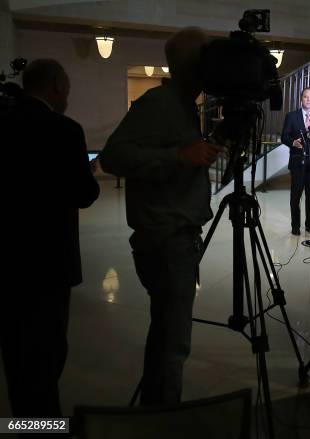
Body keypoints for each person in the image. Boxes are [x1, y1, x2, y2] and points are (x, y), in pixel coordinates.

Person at [99, 27, 225, 405]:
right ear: (194, 65)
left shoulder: (186, 104)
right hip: (166, 241)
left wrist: (195, 154)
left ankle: (157, 407)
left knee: (168, 336)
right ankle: (162, 420)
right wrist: (177, 157)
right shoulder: (158, 102)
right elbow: (112, 157)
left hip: (178, 237)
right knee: (173, 343)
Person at [1, 59, 99, 419]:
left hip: (6, 259)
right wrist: (87, 173)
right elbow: (84, 194)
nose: (69, 95)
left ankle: (24, 421)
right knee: (44, 355)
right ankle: (43, 428)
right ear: (56, 85)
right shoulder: (64, 130)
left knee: (15, 352)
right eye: (68, 87)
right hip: (47, 264)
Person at [281, 87, 310, 236]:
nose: (308, 100)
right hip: (297, 163)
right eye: (306, 97)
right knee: (295, 196)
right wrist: (292, 143)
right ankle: (295, 226)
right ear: (301, 99)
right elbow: (284, 136)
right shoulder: (291, 116)